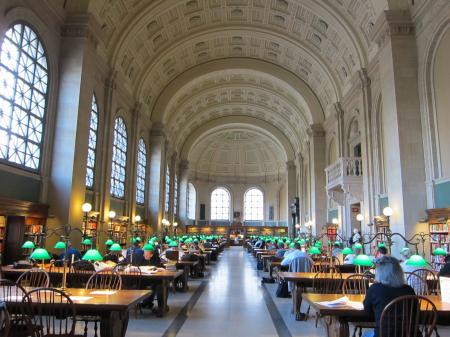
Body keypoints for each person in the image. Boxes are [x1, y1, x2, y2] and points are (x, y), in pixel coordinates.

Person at [363, 256, 416, 337]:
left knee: (366, 334)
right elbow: (415, 313)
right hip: (408, 334)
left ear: (379, 273)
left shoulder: (374, 289)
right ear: (399, 272)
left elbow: (367, 312)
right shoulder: (409, 290)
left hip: (383, 334)